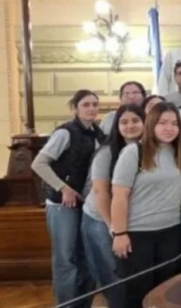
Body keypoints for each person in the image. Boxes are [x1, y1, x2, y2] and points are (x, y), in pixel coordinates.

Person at [31, 90, 104, 307]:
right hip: (62, 204)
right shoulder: (65, 133)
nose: (91, 108)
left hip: (86, 204)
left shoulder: (98, 134)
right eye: (86, 104)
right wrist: (63, 188)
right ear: (75, 108)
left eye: (94, 104)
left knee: (87, 258)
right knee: (66, 258)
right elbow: (38, 164)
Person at [110, 102, 181, 308]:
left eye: (174, 123)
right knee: (136, 294)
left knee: (163, 292)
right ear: (151, 123)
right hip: (137, 233)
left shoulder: (179, 153)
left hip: (170, 231)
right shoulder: (133, 152)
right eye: (163, 123)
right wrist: (119, 233)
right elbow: (119, 196)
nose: (169, 128)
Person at [81, 104, 144, 308]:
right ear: (117, 126)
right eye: (124, 122)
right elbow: (101, 192)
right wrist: (114, 228)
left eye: (135, 121)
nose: (130, 126)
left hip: (127, 218)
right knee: (112, 272)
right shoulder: (107, 152)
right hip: (100, 218)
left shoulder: (149, 149)